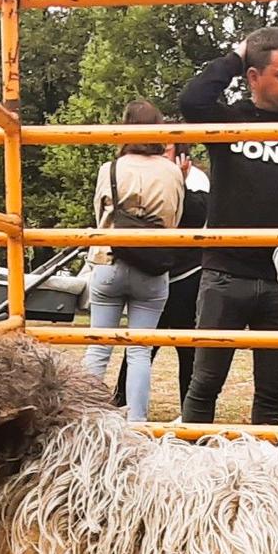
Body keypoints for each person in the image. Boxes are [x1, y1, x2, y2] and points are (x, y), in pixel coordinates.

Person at [178, 26, 278, 425]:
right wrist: (236, 58)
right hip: (224, 273)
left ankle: (265, 473)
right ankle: (190, 468)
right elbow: (192, 100)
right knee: (204, 384)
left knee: (272, 392)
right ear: (254, 77)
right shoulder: (229, 120)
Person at [85, 100, 184, 423]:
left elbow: (101, 216)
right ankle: (137, 422)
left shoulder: (110, 169)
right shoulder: (171, 171)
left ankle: (85, 417)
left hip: (110, 262)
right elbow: (176, 217)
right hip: (153, 268)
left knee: (99, 347)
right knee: (139, 351)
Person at [115, 144, 210, 414]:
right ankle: (120, 403)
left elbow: (193, 220)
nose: (157, 156)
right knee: (139, 346)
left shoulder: (196, 180)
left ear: (182, 155)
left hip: (186, 275)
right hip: (153, 271)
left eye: (165, 150)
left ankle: (190, 412)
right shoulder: (147, 175)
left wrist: (177, 181)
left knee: (188, 347)